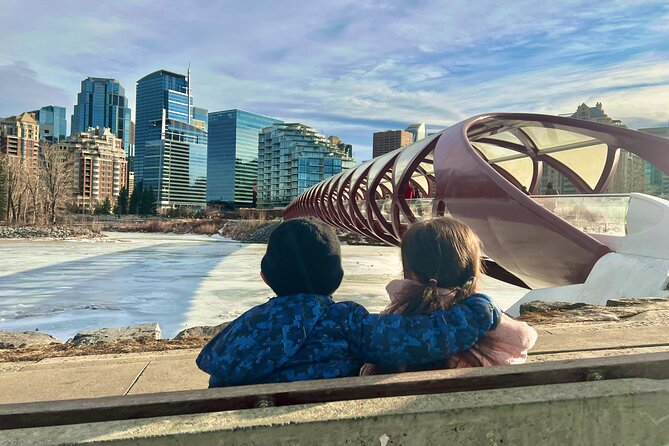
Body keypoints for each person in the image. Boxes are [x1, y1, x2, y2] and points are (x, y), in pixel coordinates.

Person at [197, 217, 501, 387]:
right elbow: (419, 338)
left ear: (266, 276)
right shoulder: (346, 322)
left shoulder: (243, 330)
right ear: (338, 278)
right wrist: (476, 313)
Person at [361, 217, 537, 376]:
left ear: (412, 274)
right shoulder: (485, 318)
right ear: (471, 271)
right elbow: (525, 337)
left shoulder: (394, 320)